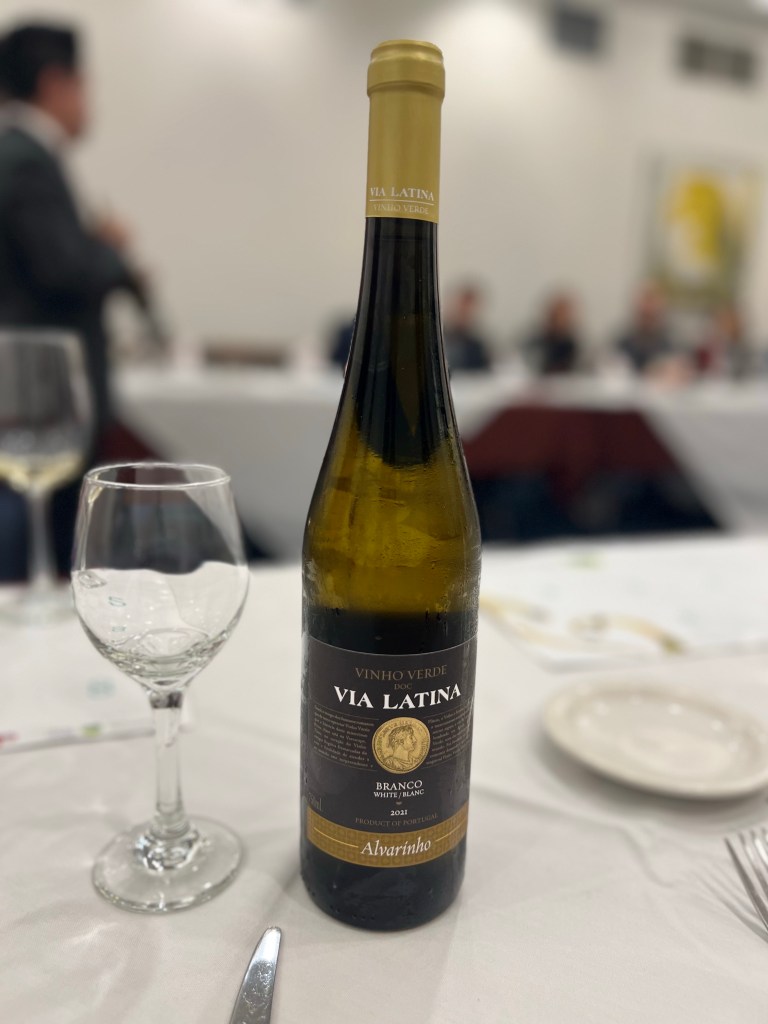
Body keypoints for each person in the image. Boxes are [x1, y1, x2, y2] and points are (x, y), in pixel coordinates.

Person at [0, 22, 147, 579]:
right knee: (42, 540)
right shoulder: (25, 156)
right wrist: (110, 251)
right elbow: (62, 270)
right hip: (40, 395)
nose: (89, 100)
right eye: (84, 84)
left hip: (34, 394)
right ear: (54, 82)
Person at [615, 285, 676, 375]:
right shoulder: (621, 346)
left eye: (652, 316)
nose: (648, 322)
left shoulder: (673, 348)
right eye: (644, 315)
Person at [524, 292, 583, 375]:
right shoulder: (536, 341)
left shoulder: (576, 344)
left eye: (563, 315)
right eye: (556, 315)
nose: (560, 319)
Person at [442, 284, 492, 373]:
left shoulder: (475, 344)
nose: (466, 312)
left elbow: (483, 369)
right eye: (462, 307)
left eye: (470, 308)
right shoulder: (438, 338)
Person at [695, 303, 752, 380]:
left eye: (729, 320)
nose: (726, 324)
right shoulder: (707, 348)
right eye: (722, 320)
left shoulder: (742, 348)